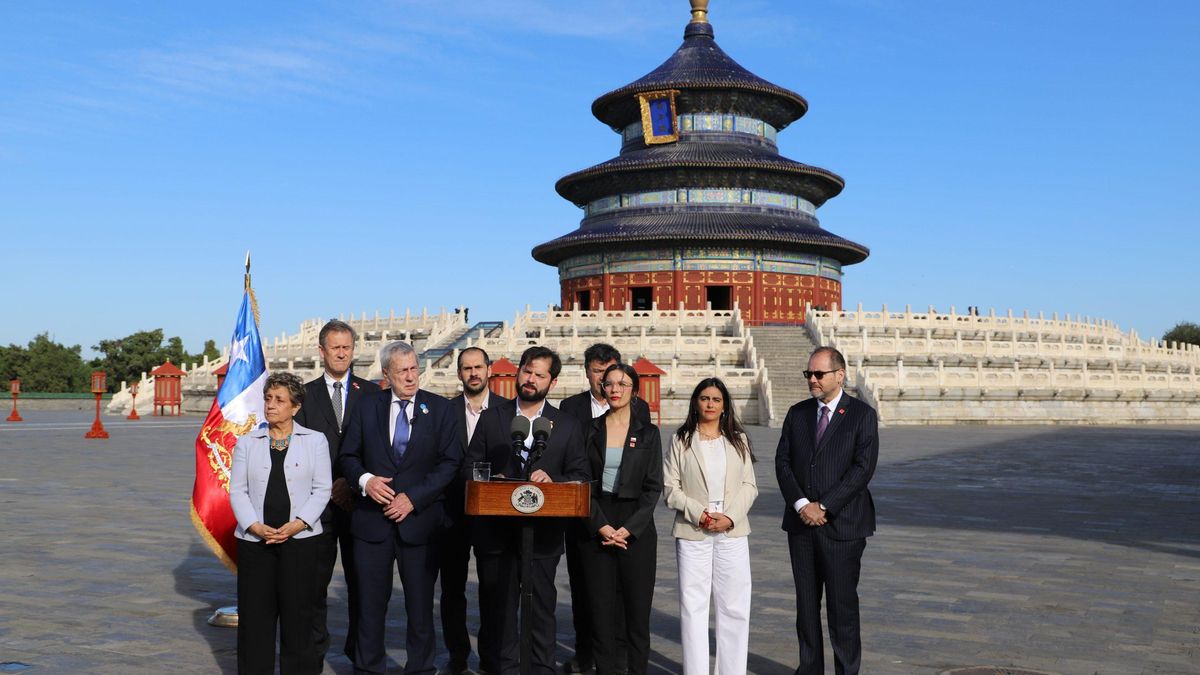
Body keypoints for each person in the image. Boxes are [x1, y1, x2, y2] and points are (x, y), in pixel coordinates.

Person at [337, 341, 463, 675]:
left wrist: (413, 498)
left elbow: (449, 463)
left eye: (414, 369)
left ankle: (421, 669)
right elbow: (348, 456)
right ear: (387, 374)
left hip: (419, 524)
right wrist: (365, 481)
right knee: (369, 605)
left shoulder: (440, 409)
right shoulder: (366, 406)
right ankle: (367, 668)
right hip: (370, 525)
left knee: (420, 607)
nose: (410, 377)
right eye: (402, 371)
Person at [465, 345, 589, 675]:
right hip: (496, 534)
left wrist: (554, 479)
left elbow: (580, 474)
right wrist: (495, 479)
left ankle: (540, 668)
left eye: (539, 374)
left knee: (541, 608)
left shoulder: (566, 424)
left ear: (553, 381)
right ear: (517, 372)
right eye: (527, 371)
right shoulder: (493, 418)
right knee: (498, 608)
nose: (531, 379)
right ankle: (499, 668)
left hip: (545, 536)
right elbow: (472, 465)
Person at [775, 346, 878, 675]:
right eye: (809, 374)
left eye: (819, 374)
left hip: (843, 527)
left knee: (842, 608)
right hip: (801, 526)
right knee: (806, 607)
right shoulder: (798, 413)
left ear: (840, 375)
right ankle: (809, 669)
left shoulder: (862, 415)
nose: (813, 380)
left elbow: (862, 470)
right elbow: (783, 463)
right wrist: (803, 504)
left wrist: (826, 506)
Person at [230, 372, 332, 675]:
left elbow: (322, 488)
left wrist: (298, 524)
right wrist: (253, 526)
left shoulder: (315, 441)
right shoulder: (247, 442)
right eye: (267, 398)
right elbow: (237, 490)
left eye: (279, 400)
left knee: (298, 619)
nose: (270, 405)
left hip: (300, 543)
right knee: (255, 619)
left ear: (295, 407)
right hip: (255, 545)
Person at [558, 343, 650, 673]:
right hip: (588, 514)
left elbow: (649, 479)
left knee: (630, 600)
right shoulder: (573, 412)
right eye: (600, 374)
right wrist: (596, 520)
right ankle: (588, 656)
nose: (608, 384)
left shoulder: (642, 417)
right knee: (588, 595)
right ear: (588, 374)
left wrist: (630, 523)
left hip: (629, 518)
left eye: (614, 376)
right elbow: (572, 465)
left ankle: (625, 659)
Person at [293, 319, 381, 664]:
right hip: (319, 508)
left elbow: (380, 448)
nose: (342, 353)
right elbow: (297, 452)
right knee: (314, 586)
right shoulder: (305, 396)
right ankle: (314, 654)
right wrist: (329, 486)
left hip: (362, 504)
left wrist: (351, 481)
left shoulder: (373, 394)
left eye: (347, 347)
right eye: (335, 347)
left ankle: (360, 653)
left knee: (363, 586)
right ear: (321, 351)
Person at [663, 378, 758, 675]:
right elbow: (670, 488)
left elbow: (749, 485)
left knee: (735, 606)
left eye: (716, 399)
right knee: (694, 607)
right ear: (696, 402)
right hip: (694, 528)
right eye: (704, 398)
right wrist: (700, 514)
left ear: (725, 405)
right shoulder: (681, 439)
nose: (710, 404)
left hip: (732, 526)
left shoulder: (738, 440)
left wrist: (729, 517)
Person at [576, 363, 662, 675]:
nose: (614, 389)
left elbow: (654, 488)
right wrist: (600, 525)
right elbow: (582, 482)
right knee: (600, 613)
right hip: (598, 520)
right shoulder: (590, 430)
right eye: (609, 383)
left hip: (635, 526)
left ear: (634, 390)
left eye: (622, 384)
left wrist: (629, 528)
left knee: (637, 614)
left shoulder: (648, 433)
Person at [441, 347, 508, 674]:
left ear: (489, 369)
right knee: (452, 590)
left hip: (493, 516)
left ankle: (492, 658)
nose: (473, 373)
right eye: (466, 368)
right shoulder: (445, 411)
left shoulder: (508, 412)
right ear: (459, 374)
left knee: (492, 590)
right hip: (453, 513)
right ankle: (457, 656)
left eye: (478, 367)